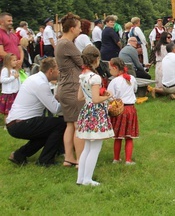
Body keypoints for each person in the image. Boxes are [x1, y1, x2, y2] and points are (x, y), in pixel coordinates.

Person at [6, 57, 66, 166]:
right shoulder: (41, 84)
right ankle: (45, 160)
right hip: (21, 122)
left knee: (47, 129)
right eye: (58, 70)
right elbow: (55, 109)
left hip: (15, 122)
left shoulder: (35, 78)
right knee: (60, 124)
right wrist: (67, 101)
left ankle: (19, 155)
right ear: (51, 71)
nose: (59, 73)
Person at [76, 45, 115, 186]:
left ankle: (81, 178)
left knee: (87, 147)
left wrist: (97, 95)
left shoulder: (83, 76)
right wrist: (107, 96)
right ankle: (87, 179)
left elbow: (80, 97)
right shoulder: (95, 77)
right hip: (96, 114)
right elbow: (96, 99)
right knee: (95, 148)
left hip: (87, 112)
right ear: (96, 59)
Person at [54, 13, 85, 168]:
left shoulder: (60, 43)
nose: (80, 30)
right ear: (72, 28)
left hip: (65, 88)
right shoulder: (67, 44)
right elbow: (82, 63)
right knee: (78, 124)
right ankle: (80, 160)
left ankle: (69, 158)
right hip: (73, 88)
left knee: (70, 125)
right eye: (79, 27)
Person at [107, 57, 139, 165]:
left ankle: (116, 159)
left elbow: (110, 96)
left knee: (118, 136)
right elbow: (135, 90)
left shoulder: (114, 81)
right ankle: (128, 160)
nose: (109, 71)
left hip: (119, 109)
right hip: (130, 109)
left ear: (115, 68)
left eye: (110, 69)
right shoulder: (131, 78)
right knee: (129, 136)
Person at [1, 53, 20, 127]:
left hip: (15, 92)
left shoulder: (15, 70)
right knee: (7, 110)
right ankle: (6, 124)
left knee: (14, 109)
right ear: (8, 61)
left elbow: (18, 81)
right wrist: (13, 77)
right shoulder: (5, 70)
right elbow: (2, 80)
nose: (16, 62)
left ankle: (13, 122)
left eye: (16, 60)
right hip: (8, 93)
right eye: (14, 60)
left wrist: (19, 89)